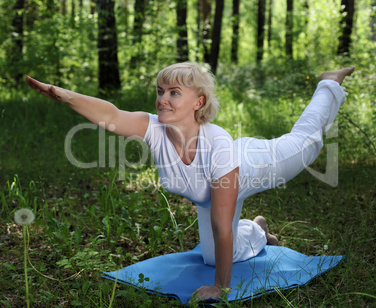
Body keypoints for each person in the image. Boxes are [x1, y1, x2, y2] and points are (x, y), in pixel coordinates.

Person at [26, 63, 354, 300]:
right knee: (211, 258)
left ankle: (328, 83)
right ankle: (257, 228)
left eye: (174, 92)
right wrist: (66, 96)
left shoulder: (218, 146)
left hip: (255, 162)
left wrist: (221, 288)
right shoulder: (154, 128)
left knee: (307, 142)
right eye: (160, 91)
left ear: (198, 102)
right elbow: (112, 116)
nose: (162, 99)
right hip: (212, 194)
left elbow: (222, 228)